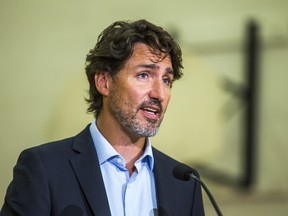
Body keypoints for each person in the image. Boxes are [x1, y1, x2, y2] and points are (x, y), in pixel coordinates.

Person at [0, 19, 204, 216]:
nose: (159, 93)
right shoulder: (43, 169)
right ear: (104, 82)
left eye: (166, 80)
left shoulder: (185, 183)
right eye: (144, 75)